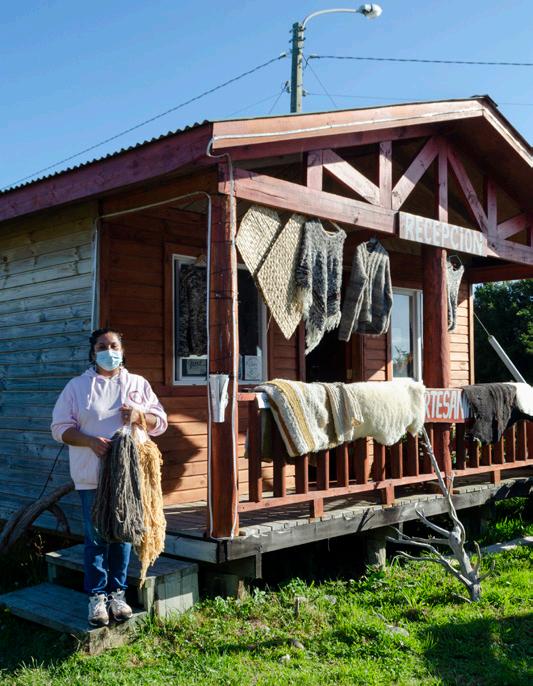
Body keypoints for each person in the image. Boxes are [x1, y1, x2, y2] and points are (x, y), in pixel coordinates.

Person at [51, 327, 168, 627]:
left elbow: (160, 422)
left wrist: (140, 416)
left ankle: (118, 593)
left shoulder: (138, 384)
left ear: (122, 350)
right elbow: (59, 428)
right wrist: (89, 441)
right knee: (96, 537)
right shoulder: (77, 387)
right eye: (102, 346)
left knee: (123, 535)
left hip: (129, 478)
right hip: (92, 476)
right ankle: (97, 597)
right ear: (93, 353)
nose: (109, 351)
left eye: (114, 345)